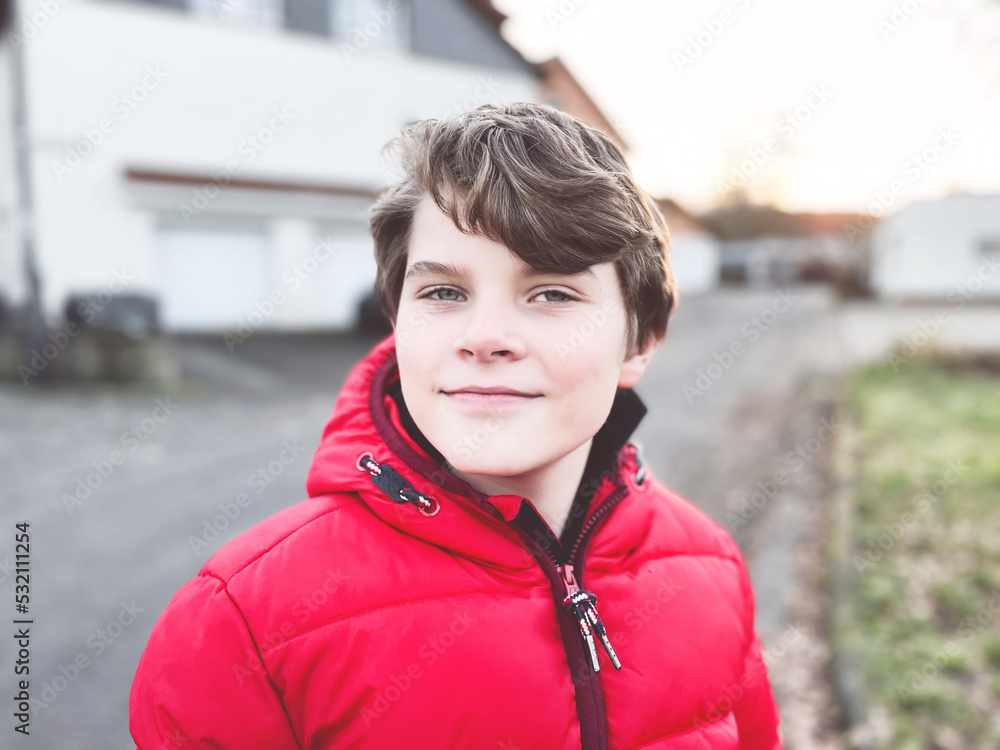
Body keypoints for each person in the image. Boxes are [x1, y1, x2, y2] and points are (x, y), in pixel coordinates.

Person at [129, 102, 782, 749]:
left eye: (552, 293)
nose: (485, 337)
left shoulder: (714, 569)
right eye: (444, 292)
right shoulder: (242, 624)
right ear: (398, 322)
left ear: (639, 343)